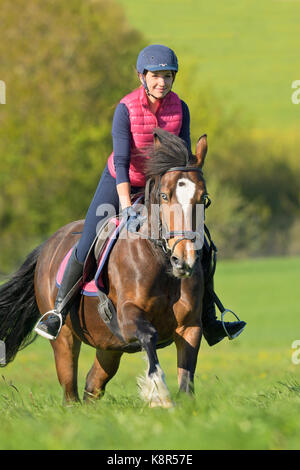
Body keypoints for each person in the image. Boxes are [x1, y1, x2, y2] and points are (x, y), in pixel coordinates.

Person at [34, 44, 246, 343]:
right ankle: (57, 312)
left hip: (160, 186)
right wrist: (123, 203)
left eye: (169, 76)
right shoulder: (125, 109)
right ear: (142, 76)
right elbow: (121, 161)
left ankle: (210, 320)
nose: (163, 82)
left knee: (201, 242)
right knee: (88, 239)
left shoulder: (180, 107)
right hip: (121, 180)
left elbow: (183, 156)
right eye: (156, 76)